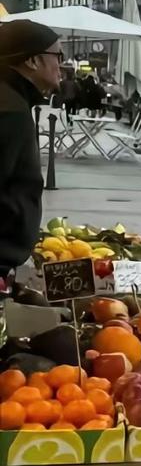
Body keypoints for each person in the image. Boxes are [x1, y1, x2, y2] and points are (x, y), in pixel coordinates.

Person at [0, 20, 63, 284]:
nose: (62, 65)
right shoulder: (8, 108)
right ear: (33, 61)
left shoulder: (12, 99)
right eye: (58, 56)